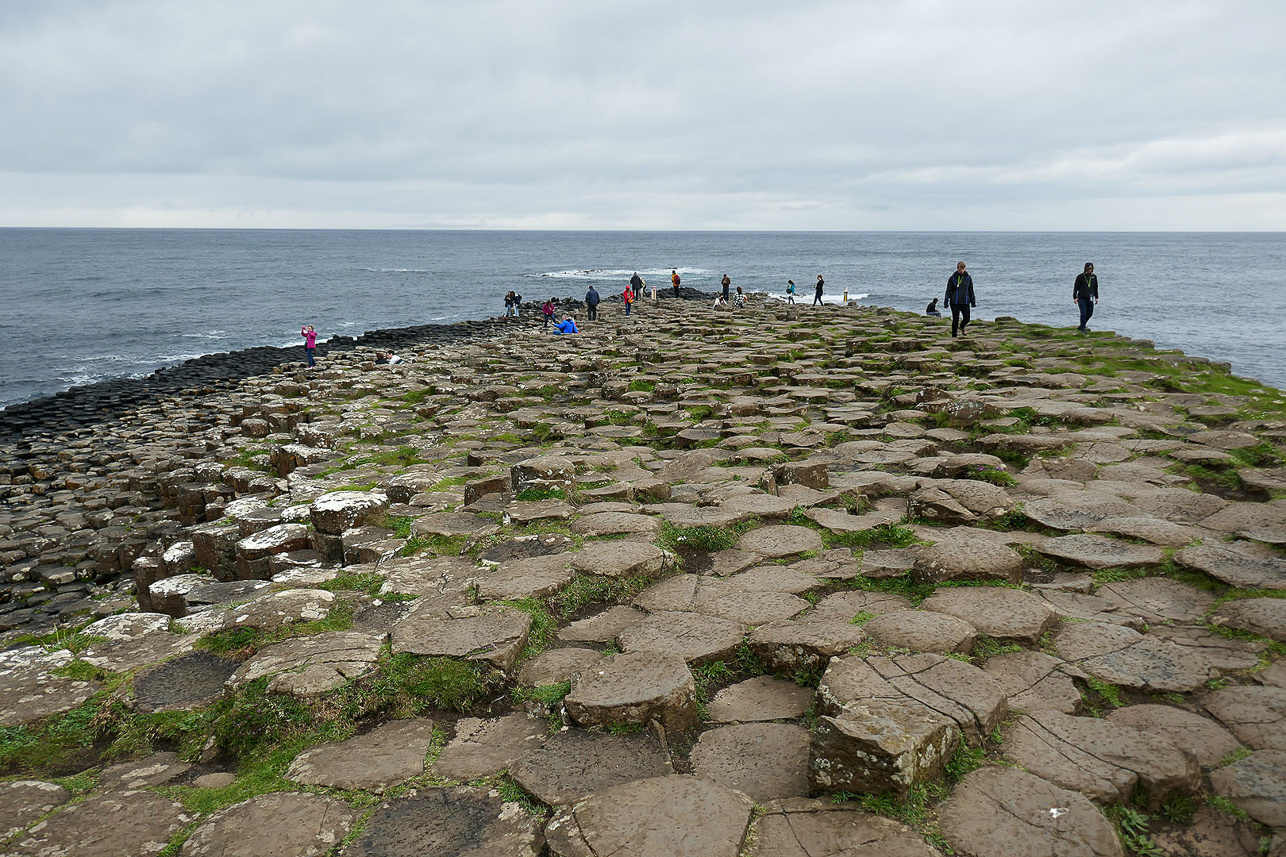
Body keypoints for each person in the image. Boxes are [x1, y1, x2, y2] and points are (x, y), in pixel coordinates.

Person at [945, 262, 976, 337]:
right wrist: (946, 301)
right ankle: (954, 335)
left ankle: (962, 326)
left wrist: (973, 301)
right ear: (957, 269)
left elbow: (971, 290)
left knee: (967, 318)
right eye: (960, 269)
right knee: (955, 319)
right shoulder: (952, 278)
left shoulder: (968, 278)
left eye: (963, 269)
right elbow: (948, 290)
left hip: (965, 301)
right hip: (955, 301)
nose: (962, 270)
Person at [1073, 262, 1099, 332]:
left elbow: (1095, 287)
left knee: (1089, 314)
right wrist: (1075, 297)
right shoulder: (1080, 277)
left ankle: (1082, 325)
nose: (1089, 270)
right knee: (1083, 313)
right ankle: (1083, 329)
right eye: (1088, 269)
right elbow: (1076, 287)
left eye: (1090, 269)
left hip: (1090, 299)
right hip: (1081, 298)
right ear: (1085, 269)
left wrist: (1096, 297)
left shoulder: (1094, 277)